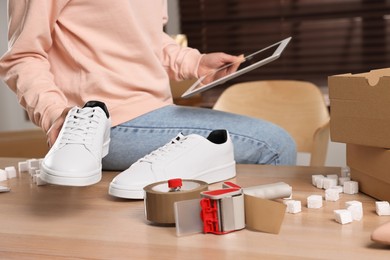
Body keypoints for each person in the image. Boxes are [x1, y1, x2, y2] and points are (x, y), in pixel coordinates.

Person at [0, 1, 296, 177]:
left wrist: (195, 62)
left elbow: (148, 38)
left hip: (156, 111)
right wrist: (55, 115)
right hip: (109, 123)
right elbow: (22, 56)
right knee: (274, 145)